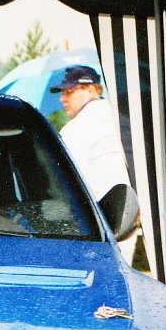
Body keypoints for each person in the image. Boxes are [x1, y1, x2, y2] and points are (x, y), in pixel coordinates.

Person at [51, 65, 136, 261]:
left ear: (91, 89)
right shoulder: (125, 121)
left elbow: (64, 183)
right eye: (63, 93)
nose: (63, 98)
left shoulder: (74, 129)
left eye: (69, 92)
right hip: (127, 220)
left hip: (93, 226)